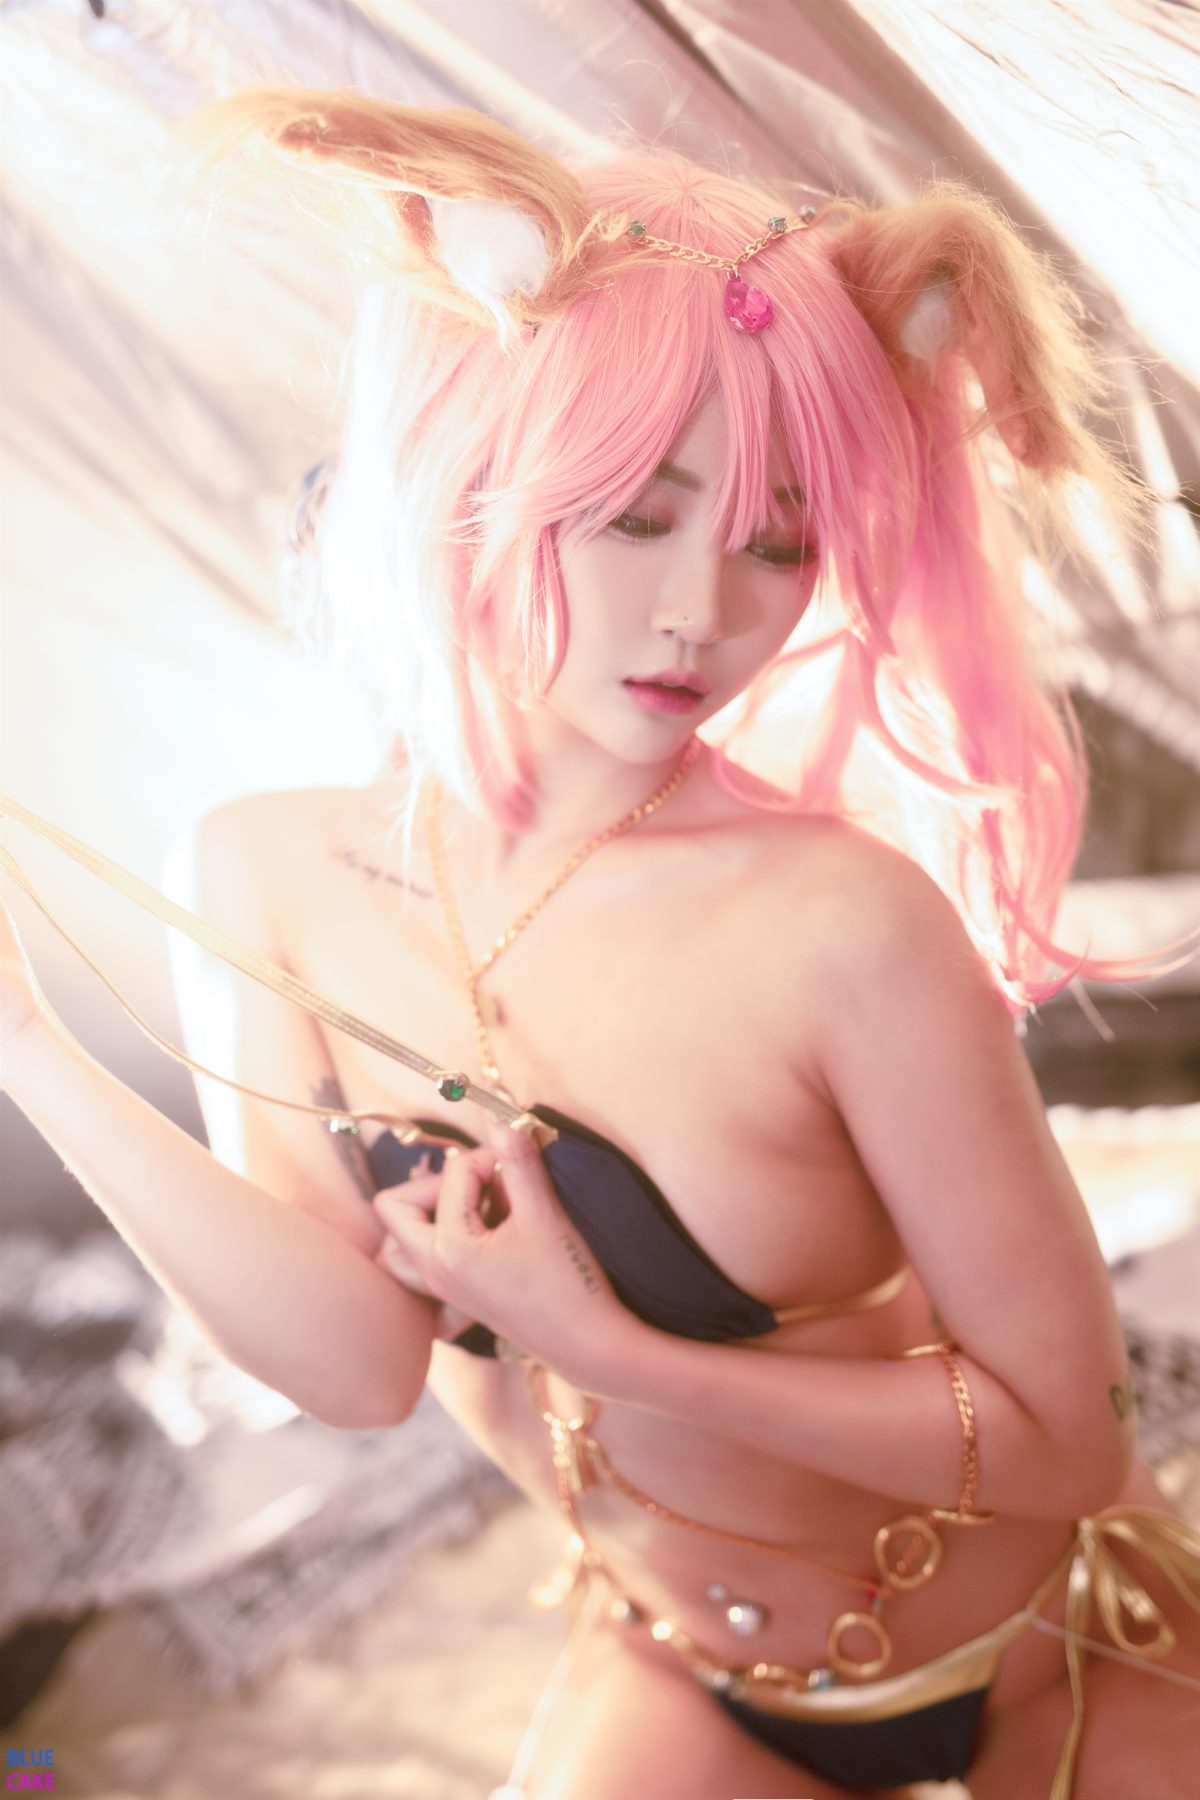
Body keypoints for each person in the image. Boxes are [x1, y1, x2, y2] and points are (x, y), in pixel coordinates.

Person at [3, 85, 1199, 1800]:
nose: (703, 613)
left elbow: (1065, 1442)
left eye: (778, 544)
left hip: (1053, 1645)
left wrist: (613, 1353)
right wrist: (29, 1051)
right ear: (474, 477)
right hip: (690, 1669)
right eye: (637, 513)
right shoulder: (264, 872)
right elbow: (355, 1370)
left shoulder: (843, 922)